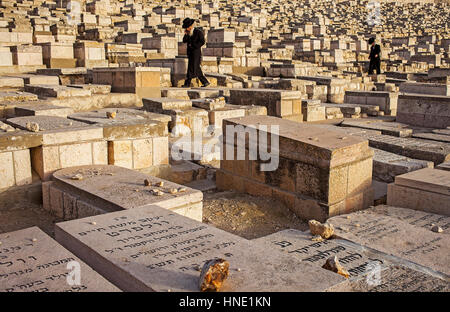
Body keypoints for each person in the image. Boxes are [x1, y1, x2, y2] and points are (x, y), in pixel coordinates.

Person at [182, 18, 209, 88]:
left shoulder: (198, 32)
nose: (187, 29)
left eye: (187, 27)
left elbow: (202, 42)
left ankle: (188, 83)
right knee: (193, 68)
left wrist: (194, 45)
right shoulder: (188, 33)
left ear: (191, 26)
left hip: (196, 53)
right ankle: (205, 82)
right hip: (190, 53)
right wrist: (186, 34)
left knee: (194, 68)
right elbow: (184, 41)